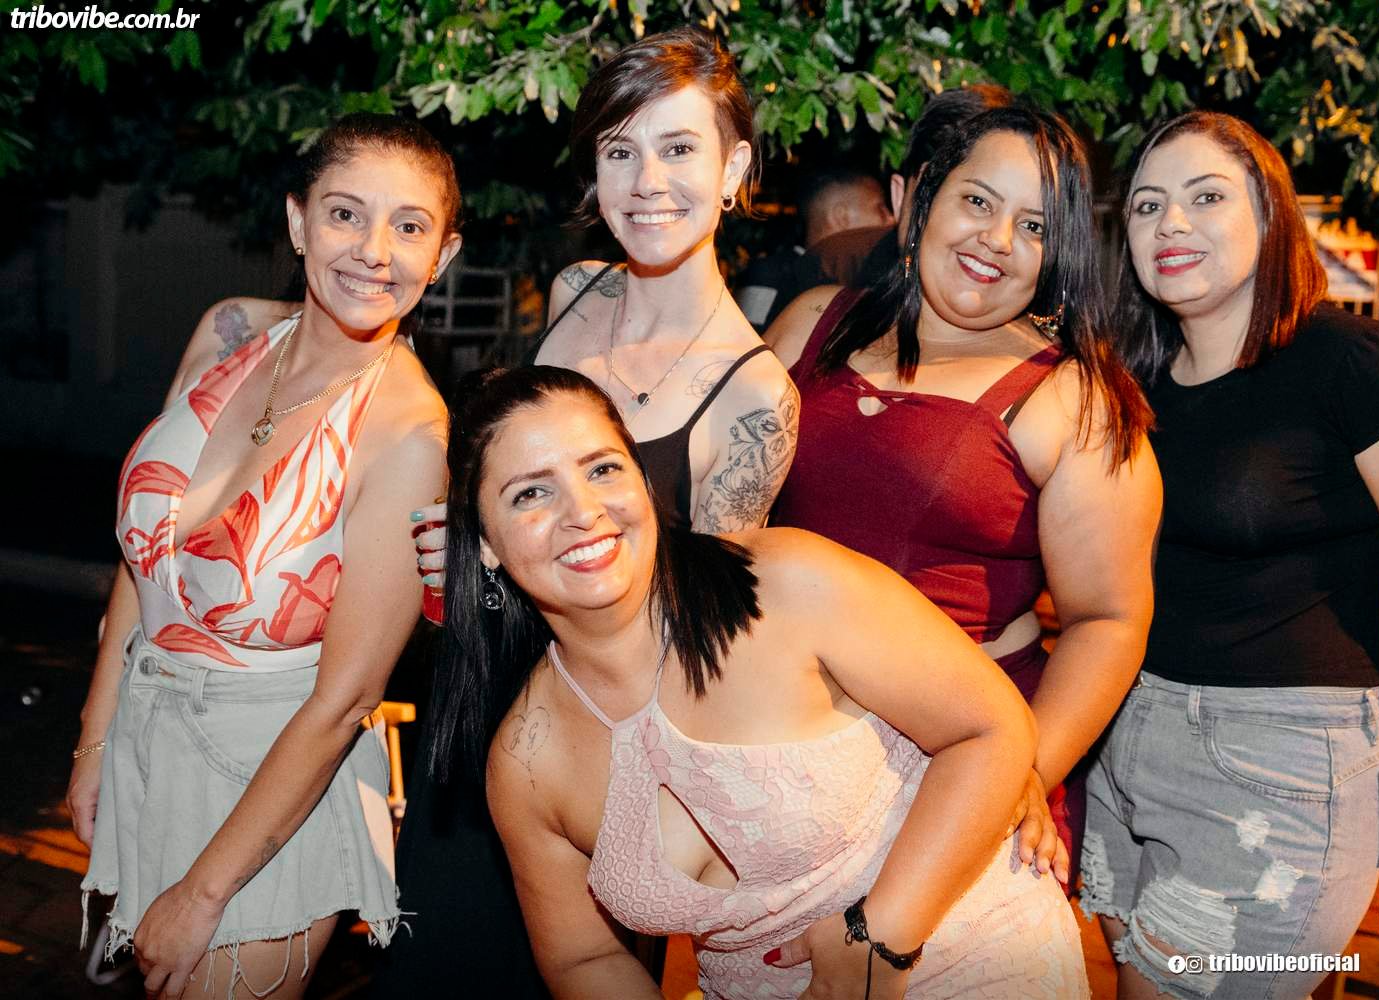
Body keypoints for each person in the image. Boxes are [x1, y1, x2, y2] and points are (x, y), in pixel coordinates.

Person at [429, 363, 1089, 999]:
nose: (583, 510)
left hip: (967, 956)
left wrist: (878, 938)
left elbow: (989, 728)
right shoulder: (526, 762)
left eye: (602, 468)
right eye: (531, 493)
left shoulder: (786, 582)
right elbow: (583, 955)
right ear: (483, 541)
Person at [384, 27, 797, 994]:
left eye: (679, 147)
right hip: (475, 694)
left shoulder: (753, 397)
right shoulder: (577, 291)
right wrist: (465, 542)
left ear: (734, 168)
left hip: (594, 753)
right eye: (620, 151)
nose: (647, 181)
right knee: (426, 960)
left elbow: (700, 641)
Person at [1082, 110, 1379, 999]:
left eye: (1206, 197)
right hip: (1122, 744)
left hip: (1277, 773)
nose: (1171, 223)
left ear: (1270, 216)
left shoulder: (1351, 363)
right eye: (1149, 206)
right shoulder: (1130, 379)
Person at [67, 113, 462, 999]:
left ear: (442, 255)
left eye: (409, 226)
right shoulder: (230, 332)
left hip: (269, 786)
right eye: (345, 213)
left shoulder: (408, 436)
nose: (374, 251)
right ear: (297, 221)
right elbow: (146, 555)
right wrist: (95, 738)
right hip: (147, 739)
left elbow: (346, 698)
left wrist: (204, 894)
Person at [764, 105, 1162, 889]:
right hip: (787, 740)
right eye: (978, 201)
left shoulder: (1075, 401)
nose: (999, 239)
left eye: (1035, 226)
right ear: (918, 198)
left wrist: (1021, 772)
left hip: (959, 758)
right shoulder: (813, 325)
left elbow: (1108, 622)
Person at [853, 84, 1011, 288]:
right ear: (900, 197)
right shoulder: (840, 285)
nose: (997, 239)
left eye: (1031, 225)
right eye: (976, 201)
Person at [734, 166, 893, 331]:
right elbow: (742, 338)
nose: (891, 219)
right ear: (841, 217)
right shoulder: (768, 275)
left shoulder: (868, 275)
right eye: (881, 208)